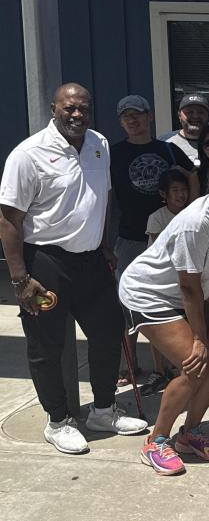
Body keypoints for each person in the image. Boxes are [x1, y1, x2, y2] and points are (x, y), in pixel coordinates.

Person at [0, 83, 148, 455]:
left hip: (92, 259)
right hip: (46, 263)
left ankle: (102, 409)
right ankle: (59, 420)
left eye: (84, 108)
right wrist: (19, 278)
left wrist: (101, 243)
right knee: (47, 344)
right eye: (70, 108)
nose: (78, 114)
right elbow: (8, 219)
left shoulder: (99, 143)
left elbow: (102, 196)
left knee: (107, 332)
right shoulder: (29, 154)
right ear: (54, 109)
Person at [119, 158, 209, 474]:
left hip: (191, 295)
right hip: (149, 293)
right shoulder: (196, 222)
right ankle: (156, 440)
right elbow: (189, 287)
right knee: (194, 363)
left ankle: (189, 433)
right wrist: (199, 337)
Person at [111, 94, 198, 384]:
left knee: (170, 298)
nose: (132, 120)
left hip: (170, 237)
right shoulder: (114, 153)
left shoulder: (168, 149)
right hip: (131, 237)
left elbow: (193, 174)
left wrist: (193, 207)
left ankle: (173, 362)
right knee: (128, 304)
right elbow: (106, 196)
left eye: (137, 114)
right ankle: (131, 364)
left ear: (149, 116)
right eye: (126, 116)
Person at [140, 169, 192, 397]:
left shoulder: (192, 214)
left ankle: (180, 367)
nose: (180, 195)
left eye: (183, 190)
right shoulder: (157, 217)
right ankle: (159, 370)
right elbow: (154, 250)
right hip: (163, 279)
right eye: (175, 191)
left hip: (188, 278)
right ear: (164, 194)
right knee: (160, 328)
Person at [162, 93, 209, 167]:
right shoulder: (165, 143)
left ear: (208, 115)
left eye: (200, 112)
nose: (195, 116)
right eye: (189, 112)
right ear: (179, 115)